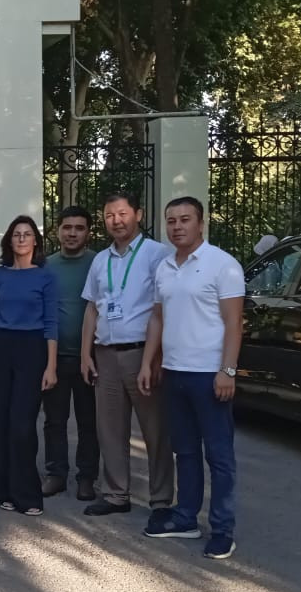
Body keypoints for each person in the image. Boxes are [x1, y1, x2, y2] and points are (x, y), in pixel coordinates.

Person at [140, 197, 245, 559]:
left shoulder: (223, 265)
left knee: (218, 455)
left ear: (201, 224)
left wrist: (227, 370)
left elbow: (234, 322)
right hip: (174, 372)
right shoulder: (165, 267)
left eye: (185, 220)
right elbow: (157, 318)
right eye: (171, 221)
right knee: (184, 451)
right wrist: (148, 362)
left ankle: (222, 529)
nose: (177, 227)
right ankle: (186, 517)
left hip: (209, 375)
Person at [79, 192, 175, 531]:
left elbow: (163, 309)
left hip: (142, 354)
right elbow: (92, 308)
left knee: (155, 431)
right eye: (109, 215)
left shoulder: (157, 255)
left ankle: (161, 500)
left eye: (122, 214)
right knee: (109, 429)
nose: (116, 221)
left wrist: (155, 357)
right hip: (105, 355)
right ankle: (116, 494)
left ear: (138, 214)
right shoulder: (100, 260)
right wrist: (85, 353)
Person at [0, 216, 58, 515]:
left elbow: (51, 323)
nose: (22, 238)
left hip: (32, 349)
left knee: (22, 425)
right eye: (16, 234)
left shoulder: (46, 277)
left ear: (35, 240)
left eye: (27, 234)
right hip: (0, 348)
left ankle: (28, 494)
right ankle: (4, 490)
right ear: (9, 241)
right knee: (0, 420)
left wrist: (51, 366)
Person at [41, 207, 99, 500]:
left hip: (91, 358)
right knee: (55, 420)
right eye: (67, 227)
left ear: (88, 232)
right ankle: (56, 474)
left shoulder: (98, 263)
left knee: (90, 422)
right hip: (55, 357)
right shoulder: (46, 266)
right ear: (58, 230)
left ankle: (87, 477)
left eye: (79, 228)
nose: (72, 233)